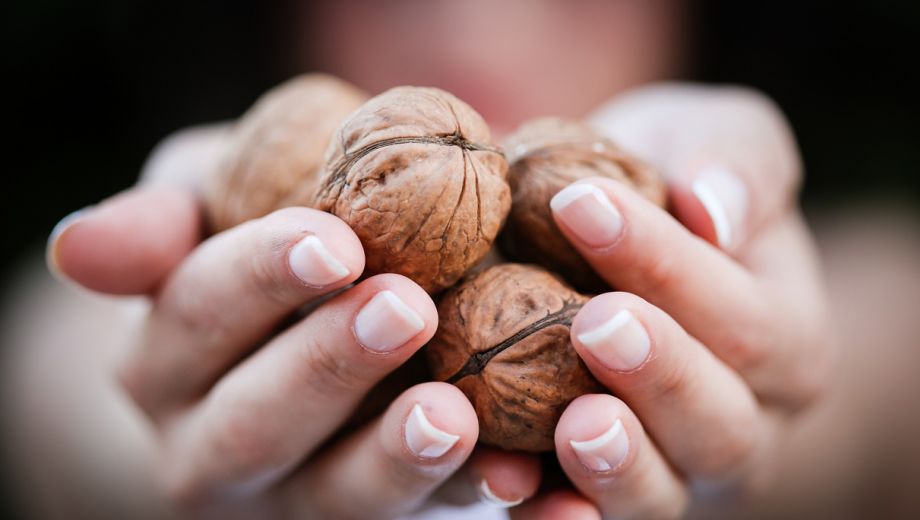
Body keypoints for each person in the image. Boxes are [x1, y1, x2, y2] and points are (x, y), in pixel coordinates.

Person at [3, 1, 920, 518]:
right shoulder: (255, 207)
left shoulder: (880, 275)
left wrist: (776, 442)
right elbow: (65, 364)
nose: (479, 28)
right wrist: (147, 445)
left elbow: (883, 366)